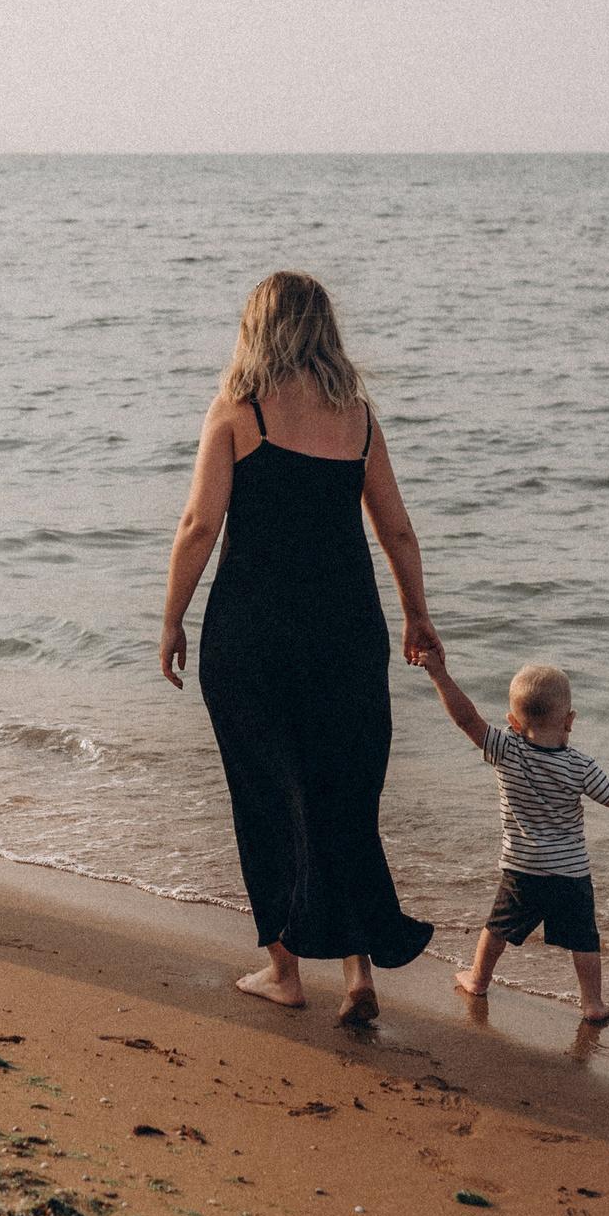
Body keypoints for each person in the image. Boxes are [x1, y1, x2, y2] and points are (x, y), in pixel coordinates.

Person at [159, 271, 441, 1025]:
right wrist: (418, 615)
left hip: (253, 635)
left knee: (267, 797)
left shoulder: (238, 411)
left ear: (256, 329)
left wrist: (171, 619)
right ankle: (357, 973)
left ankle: (284, 972)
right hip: (347, 632)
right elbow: (397, 528)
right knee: (343, 795)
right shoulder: (359, 419)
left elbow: (198, 526)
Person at [418, 653, 609, 1026]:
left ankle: (478, 979)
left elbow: (466, 718)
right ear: (569, 720)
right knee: (583, 940)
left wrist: (439, 674)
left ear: (513, 722)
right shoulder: (580, 765)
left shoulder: (505, 749)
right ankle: (593, 1003)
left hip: (522, 869)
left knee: (498, 927)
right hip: (570, 874)